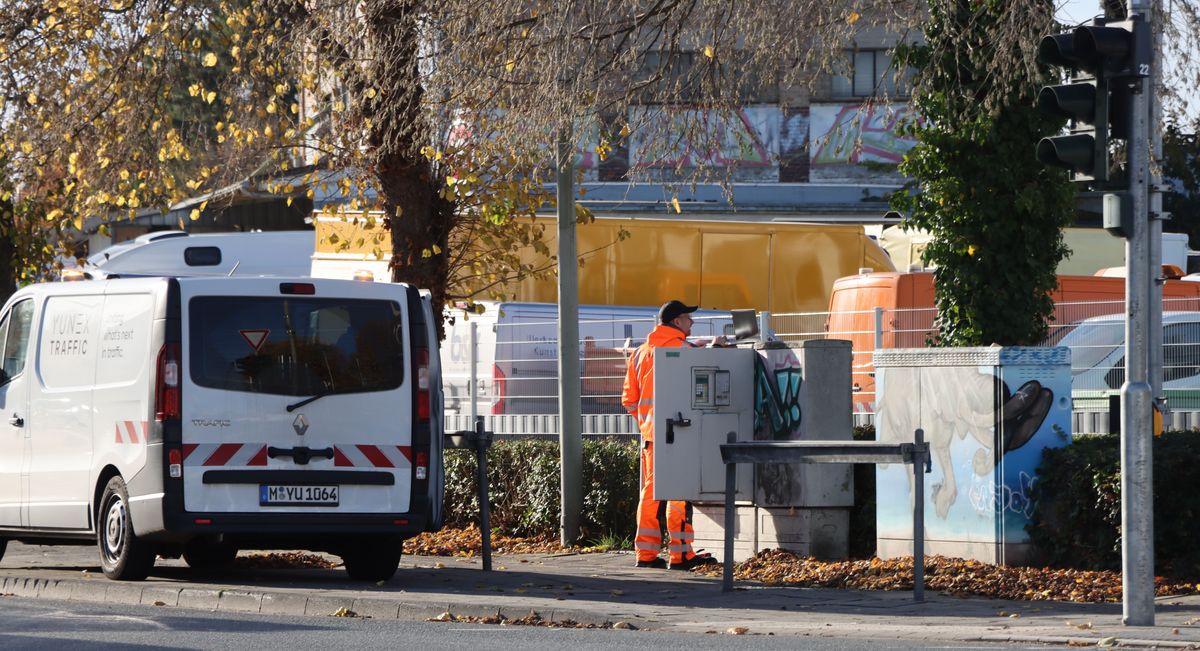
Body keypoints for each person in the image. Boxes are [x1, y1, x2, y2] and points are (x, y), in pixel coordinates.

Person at [621, 300, 719, 570]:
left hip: (652, 435)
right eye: (688, 318)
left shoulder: (640, 353)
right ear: (676, 321)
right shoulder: (680, 348)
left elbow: (629, 400)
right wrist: (718, 348)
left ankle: (646, 554)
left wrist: (645, 423)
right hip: (679, 431)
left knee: (650, 493)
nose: (692, 323)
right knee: (679, 492)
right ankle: (681, 555)